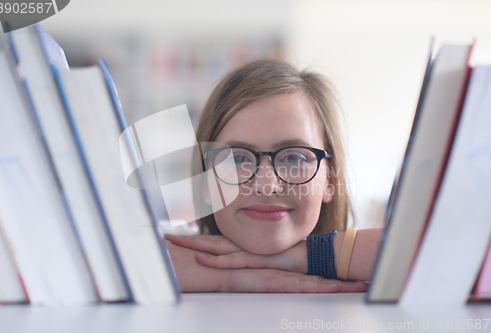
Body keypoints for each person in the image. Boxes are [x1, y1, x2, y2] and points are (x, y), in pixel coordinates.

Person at [164, 59, 383, 292]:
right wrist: (226, 277)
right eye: (237, 159)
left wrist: (316, 255)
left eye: (294, 158)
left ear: (330, 181)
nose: (267, 185)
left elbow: (424, 254)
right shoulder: (166, 248)